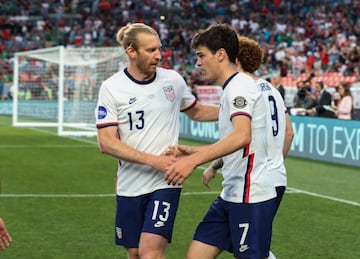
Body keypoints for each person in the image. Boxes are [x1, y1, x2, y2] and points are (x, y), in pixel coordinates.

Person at [94, 23, 219, 259]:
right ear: (132, 51)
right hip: (130, 183)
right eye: (151, 50)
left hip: (166, 180)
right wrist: (153, 161)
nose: (158, 55)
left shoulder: (172, 80)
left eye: (159, 49)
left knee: (150, 253)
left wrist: (233, 110)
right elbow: (106, 142)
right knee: (134, 252)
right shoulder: (111, 88)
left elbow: (197, 111)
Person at [165, 24, 285, 259]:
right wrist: (193, 152)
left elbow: (242, 136)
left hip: (251, 193)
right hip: (231, 191)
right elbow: (235, 140)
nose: (197, 63)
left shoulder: (239, 87)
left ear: (220, 54)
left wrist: (193, 161)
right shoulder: (233, 87)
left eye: (201, 55)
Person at [201, 36, 294, 259]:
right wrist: (274, 161)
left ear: (236, 60)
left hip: (254, 181)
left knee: (250, 248)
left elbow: (242, 137)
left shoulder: (242, 89)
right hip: (275, 176)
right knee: (248, 243)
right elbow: (289, 133)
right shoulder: (271, 89)